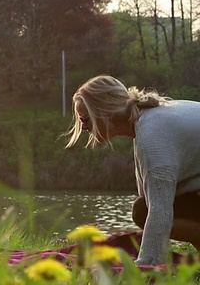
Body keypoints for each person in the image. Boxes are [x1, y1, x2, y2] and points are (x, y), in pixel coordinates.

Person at [64, 74, 200, 265]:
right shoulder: (149, 121)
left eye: (85, 120)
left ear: (104, 112)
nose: (84, 127)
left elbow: (159, 211)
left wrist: (146, 265)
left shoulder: (152, 134)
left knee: (142, 211)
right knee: (146, 206)